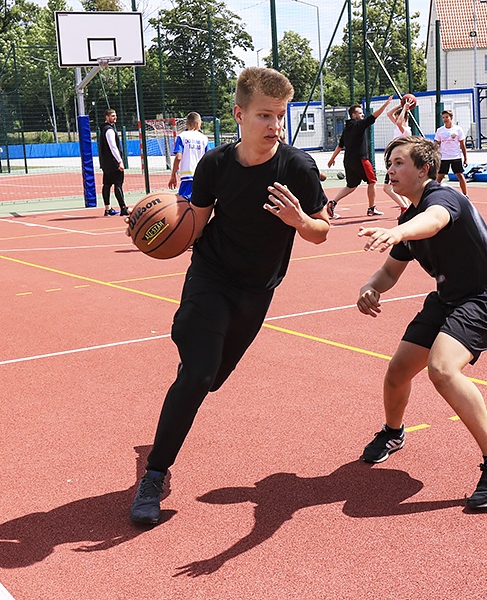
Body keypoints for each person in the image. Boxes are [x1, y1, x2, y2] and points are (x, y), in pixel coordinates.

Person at [129, 67, 331, 525]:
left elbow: (321, 232)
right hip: (211, 275)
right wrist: (156, 229)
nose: (274, 124)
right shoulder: (215, 164)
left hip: (257, 289)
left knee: (210, 378)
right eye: (264, 114)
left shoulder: (297, 167)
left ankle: (194, 349)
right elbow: (196, 222)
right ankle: (154, 475)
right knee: (198, 376)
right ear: (239, 114)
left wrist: (300, 221)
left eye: (280, 115)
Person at [356, 135, 487, 510]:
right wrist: (371, 286)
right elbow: (390, 272)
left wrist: (398, 231)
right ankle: (393, 433)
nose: (390, 169)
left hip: (486, 298)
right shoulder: (407, 218)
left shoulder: (443, 198)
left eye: (399, 162)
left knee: (442, 369)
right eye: (389, 162)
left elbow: (434, 222)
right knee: (397, 372)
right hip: (449, 299)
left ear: (424, 169)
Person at [326, 96, 394, 218]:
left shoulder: (347, 129)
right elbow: (374, 116)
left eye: (362, 113)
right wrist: (385, 104)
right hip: (360, 159)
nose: (362, 115)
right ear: (353, 115)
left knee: (351, 185)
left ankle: (333, 202)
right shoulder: (358, 125)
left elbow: (340, 146)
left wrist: (332, 158)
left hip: (348, 161)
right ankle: (371, 209)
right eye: (360, 113)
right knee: (372, 181)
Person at [167, 112, 209, 200]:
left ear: (187, 124)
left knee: (184, 205)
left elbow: (178, 157)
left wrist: (173, 174)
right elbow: (208, 158)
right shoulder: (204, 138)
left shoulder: (182, 136)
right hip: (201, 177)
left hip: (188, 176)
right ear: (198, 124)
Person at [382, 98, 413, 211]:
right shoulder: (398, 127)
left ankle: (404, 207)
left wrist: (404, 109)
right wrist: (401, 106)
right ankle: (407, 207)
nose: (395, 119)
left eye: (397, 116)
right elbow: (389, 113)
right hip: (394, 157)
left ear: (404, 117)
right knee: (395, 187)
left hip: (398, 158)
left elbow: (399, 121)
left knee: (387, 188)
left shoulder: (405, 130)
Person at [98, 109, 130, 216]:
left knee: (106, 185)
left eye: (115, 115)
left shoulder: (103, 129)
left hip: (106, 163)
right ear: (106, 117)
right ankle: (123, 208)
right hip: (113, 163)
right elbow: (113, 147)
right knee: (118, 185)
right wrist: (120, 161)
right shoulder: (109, 130)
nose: (115, 117)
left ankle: (108, 209)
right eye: (112, 115)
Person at [433, 110, 468, 197]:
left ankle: (465, 195)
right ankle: (433, 194)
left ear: (451, 118)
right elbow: (437, 144)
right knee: (440, 176)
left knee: (460, 175)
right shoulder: (440, 130)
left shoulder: (458, 129)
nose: (445, 119)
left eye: (447, 117)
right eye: (443, 117)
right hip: (444, 157)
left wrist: (465, 158)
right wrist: (434, 155)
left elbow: (462, 144)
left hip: (455, 156)